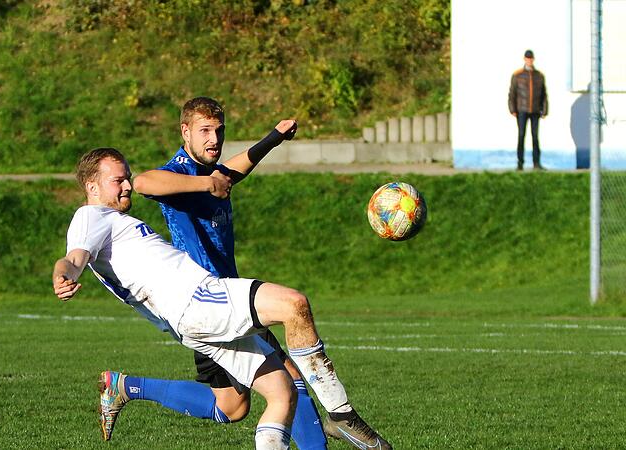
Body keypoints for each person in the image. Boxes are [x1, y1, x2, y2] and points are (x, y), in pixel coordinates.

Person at [52, 147, 392, 450]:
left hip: (190, 320)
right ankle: (342, 413)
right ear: (92, 187)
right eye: (118, 180)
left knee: (282, 392)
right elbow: (75, 256)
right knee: (294, 304)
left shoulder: (112, 220)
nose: (127, 185)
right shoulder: (90, 216)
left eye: (127, 177)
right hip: (197, 300)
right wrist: (65, 273)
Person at [124, 97, 332, 450]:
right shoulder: (180, 174)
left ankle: (128, 386)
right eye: (204, 131)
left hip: (225, 299)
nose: (214, 139)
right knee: (289, 379)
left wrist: (273, 138)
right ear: (184, 131)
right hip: (207, 304)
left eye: (219, 131)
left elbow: (234, 169)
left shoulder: (210, 172)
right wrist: (207, 184)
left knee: (232, 407)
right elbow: (143, 182)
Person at [508, 49, 549, 171]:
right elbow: (512, 93)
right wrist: (512, 109)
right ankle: (520, 163)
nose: (529, 60)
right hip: (522, 110)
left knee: (535, 136)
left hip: (535, 110)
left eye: (531, 58)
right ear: (524, 59)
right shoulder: (517, 75)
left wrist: (545, 109)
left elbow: (544, 94)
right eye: (527, 58)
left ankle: (536, 163)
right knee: (521, 136)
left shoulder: (539, 75)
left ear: (533, 59)